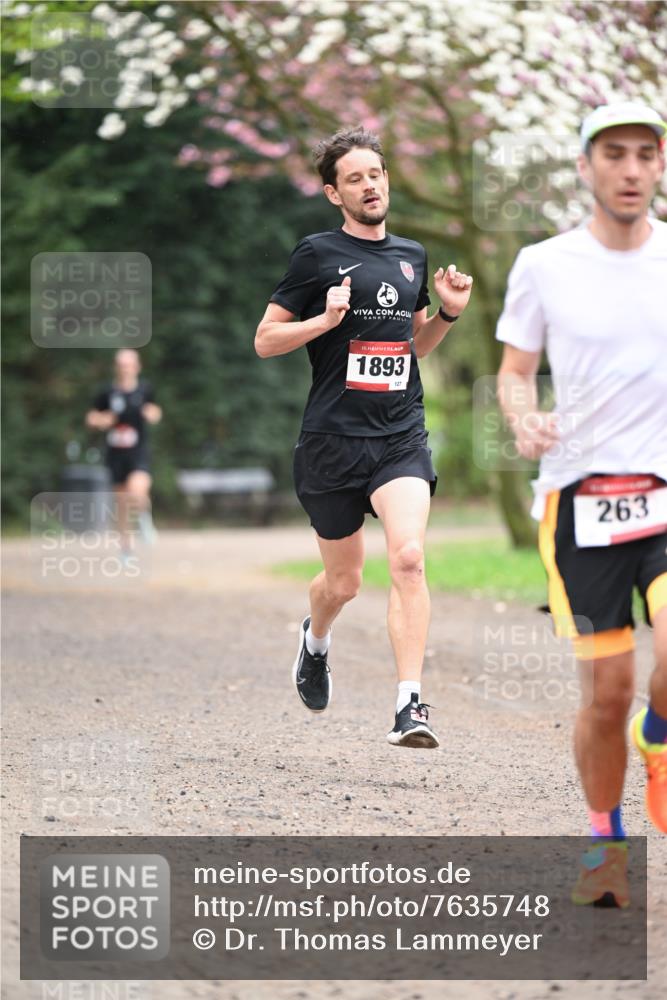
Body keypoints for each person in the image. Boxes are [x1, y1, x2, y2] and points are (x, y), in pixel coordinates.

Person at [496, 102, 667, 906]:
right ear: (584, 167)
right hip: (579, 504)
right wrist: (521, 417)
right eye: (613, 154)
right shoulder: (543, 264)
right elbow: (513, 370)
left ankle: (657, 735)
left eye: (644, 154)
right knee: (604, 696)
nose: (630, 169)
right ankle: (604, 846)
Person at [255, 126, 473, 747]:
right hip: (332, 439)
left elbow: (414, 347)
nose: (369, 186)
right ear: (334, 193)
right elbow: (265, 340)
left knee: (408, 558)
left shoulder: (412, 255)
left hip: (399, 435)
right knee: (343, 584)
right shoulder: (316, 254)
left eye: (375, 174)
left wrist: (448, 313)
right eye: (354, 178)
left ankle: (409, 706)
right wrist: (323, 321)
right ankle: (316, 639)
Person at [85, 348, 162, 553]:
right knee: (121, 503)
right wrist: (101, 420)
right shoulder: (107, 392)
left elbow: (156, 410)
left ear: (137, 367)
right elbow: (91, 417)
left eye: (128, 365)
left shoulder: (144, 390)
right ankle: (126, 548)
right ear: (116, 368)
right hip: (115, 454)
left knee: (138, 490)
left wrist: (152, 414)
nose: (125, 369)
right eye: (121, 365)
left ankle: (143, 518)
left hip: (138, 452)